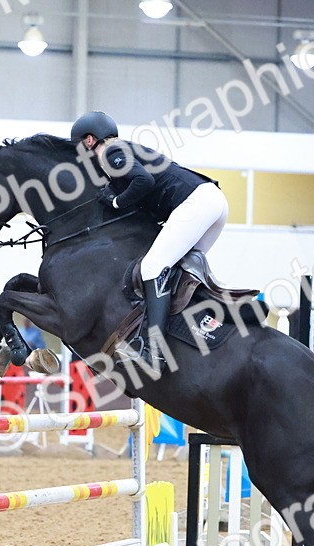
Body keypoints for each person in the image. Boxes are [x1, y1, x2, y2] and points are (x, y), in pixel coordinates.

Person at [71, 110, 228, 369]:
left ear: (89, 141)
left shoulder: (110, 152)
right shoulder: (125, 150)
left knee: (153, 267)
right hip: (213, 202)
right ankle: (206, 325)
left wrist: (117, 201)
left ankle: (155, 352)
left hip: (197, 202)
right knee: (179, 272)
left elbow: (143, 181)